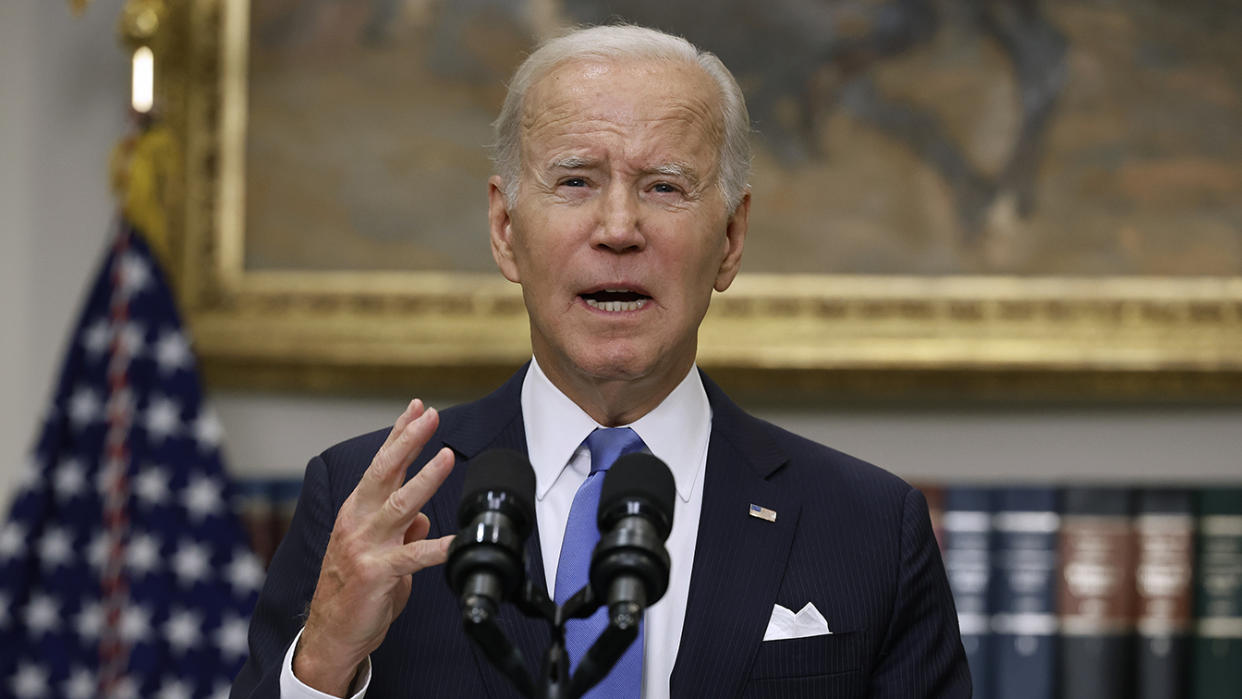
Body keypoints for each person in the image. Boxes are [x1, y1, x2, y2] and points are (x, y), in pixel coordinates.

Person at [231, 24, 970, 699]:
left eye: (664, 186)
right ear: (503, 228)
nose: (619, 228)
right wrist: (323, 662)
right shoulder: (372, 506)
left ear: (733, 238)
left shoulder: (869, 525)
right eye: (576, 180)